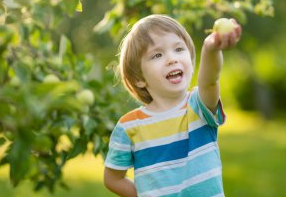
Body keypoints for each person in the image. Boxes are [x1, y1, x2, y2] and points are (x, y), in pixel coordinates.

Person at [103, 14, 241, 197]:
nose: (171, 59)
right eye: (157, 55)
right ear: (139, 79)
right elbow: (113, 179)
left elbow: (210, 81)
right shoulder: (128, 127)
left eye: (178, 49)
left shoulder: (198, 107)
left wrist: (211, 49)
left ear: (191, 61)